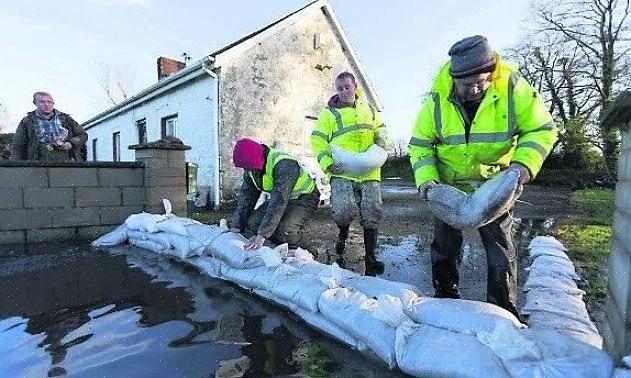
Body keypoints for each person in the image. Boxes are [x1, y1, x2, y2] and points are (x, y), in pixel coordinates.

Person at [409, 35, 558, 317]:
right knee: (444, 246)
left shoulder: (514, 88)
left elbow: (542, 128)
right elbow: (420, 144)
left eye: (483, 80)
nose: (475, 88)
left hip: (495, 185)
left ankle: (502, 308)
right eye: (467, 84)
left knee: (500, 248)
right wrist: (427, 180)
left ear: (492, 73)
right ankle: (445, 299)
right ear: (454, 79)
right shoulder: (436, 100)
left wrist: (523, 164)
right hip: (449, 187)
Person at [311, 71, 388, 275]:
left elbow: (381, 129)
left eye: (347, 86)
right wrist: (327, 163)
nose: (344, 91)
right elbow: (318, 140)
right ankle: (343, 234)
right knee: (343, 210)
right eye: (340, 88)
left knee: (372, 211)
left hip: (369, 172)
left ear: (355, 86)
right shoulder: (329, 114)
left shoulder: (369, 109)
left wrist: (381, 141)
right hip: (343, 171)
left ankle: (371, 257)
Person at [230, 138, 320, 250]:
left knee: (286, 231)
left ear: (253, 160)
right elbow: (247, 197)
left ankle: (308, 249)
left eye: (246, 167)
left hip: (304, 198)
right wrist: (236, 226)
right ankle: (279, 246)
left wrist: (262, 235)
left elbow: (278, 202)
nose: (245, 170)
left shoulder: (284, 165)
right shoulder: (251, 169)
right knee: (253, 223)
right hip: (281, 198)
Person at [11, 91, 87, 161]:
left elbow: (83, 135)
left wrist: (71, 143)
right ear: (35, 103)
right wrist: (16, 166)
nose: (46, 104)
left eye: (49, 102)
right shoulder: (27, 121)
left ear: (53, 103)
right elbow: (18, 146)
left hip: (65, 161)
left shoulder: (66, 118)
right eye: (42, 102)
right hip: (38, 163)